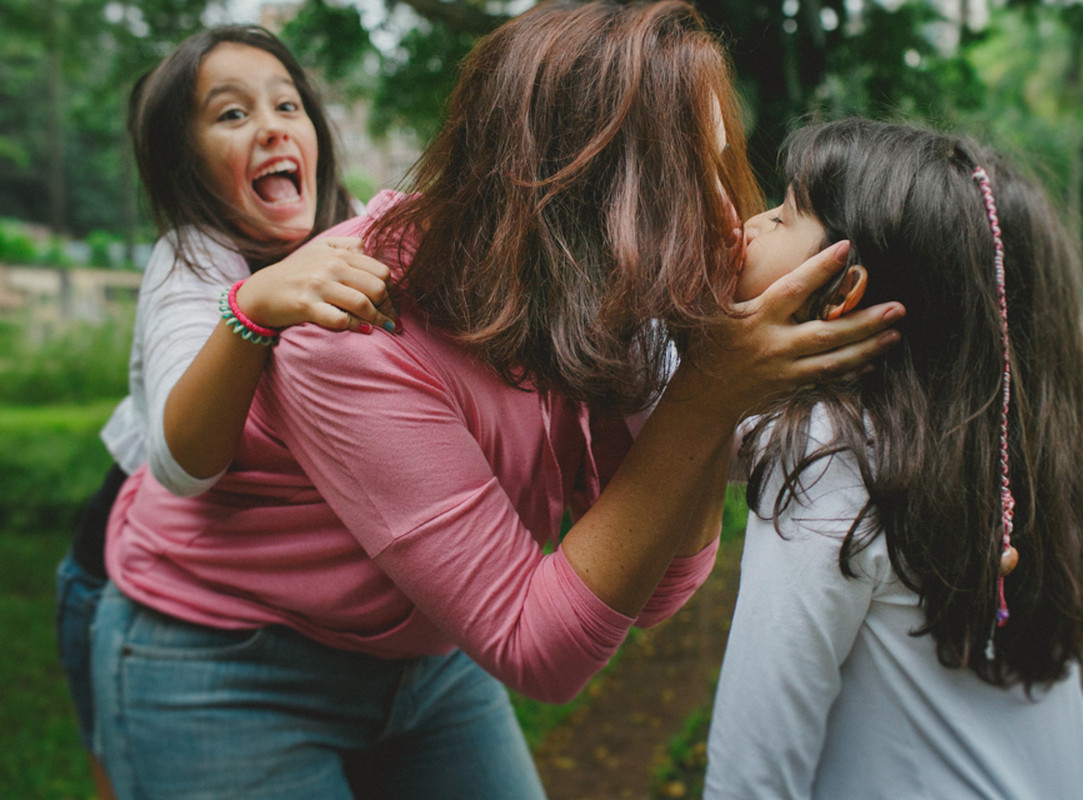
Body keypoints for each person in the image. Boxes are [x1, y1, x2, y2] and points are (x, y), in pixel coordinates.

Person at [92, 4, 904, 799]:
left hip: (423, 652)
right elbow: (539, 650)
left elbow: (652, 593)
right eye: (690, 179)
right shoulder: (348, 325)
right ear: (585, 190)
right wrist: (702, 401)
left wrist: (708, 396)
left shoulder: (600, 301)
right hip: (228, 659)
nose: (729, 220)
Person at [704, 118, 1083, 799]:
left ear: (844, 291)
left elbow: (751, 776)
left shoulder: (828, 460)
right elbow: (693, 428)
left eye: (784, 214)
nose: (751, 224)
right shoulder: (999, 455)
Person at [54, 24, 393, 799]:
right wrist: (254, 309)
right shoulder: (192, 258)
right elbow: (181, 463)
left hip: (293, 615)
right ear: (189, 163)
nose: (273, 123)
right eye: (232, 114)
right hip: (119, 577)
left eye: (287, 104)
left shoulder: (355, 235)